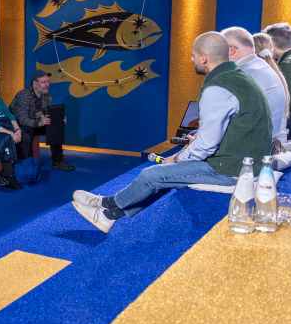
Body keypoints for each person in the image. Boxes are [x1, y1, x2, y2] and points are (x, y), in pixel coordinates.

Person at [72, 32, 272, 233]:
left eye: (193, 55)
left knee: (151, 175)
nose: (191, 59)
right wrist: (193, 144)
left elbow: (207, 145)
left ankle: (108, 214)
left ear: (204, 58)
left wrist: (177, 159)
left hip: (231, 170)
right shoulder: (239, 78)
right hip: (246, 161)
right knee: (164, 174)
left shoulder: (218, 87)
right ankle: (109, 205)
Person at [221, 27, 289, 150]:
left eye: (218, 50)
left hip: (248, 152)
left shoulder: (240, 76)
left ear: (231, 50)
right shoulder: (267, 68)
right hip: (272, 146)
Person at [9, 72, 74, 171]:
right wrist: (38, 123)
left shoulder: (46, 95)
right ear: (35, 84)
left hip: (34, 122)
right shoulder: (23, 95)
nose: (47, 85)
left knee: (55, 125)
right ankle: (28, 163)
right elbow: (22, 119)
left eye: (48, 82)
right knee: (26, 131)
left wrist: (58, 118)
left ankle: (58, 161)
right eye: (43, 82)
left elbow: (44, 112)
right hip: (17, 125)